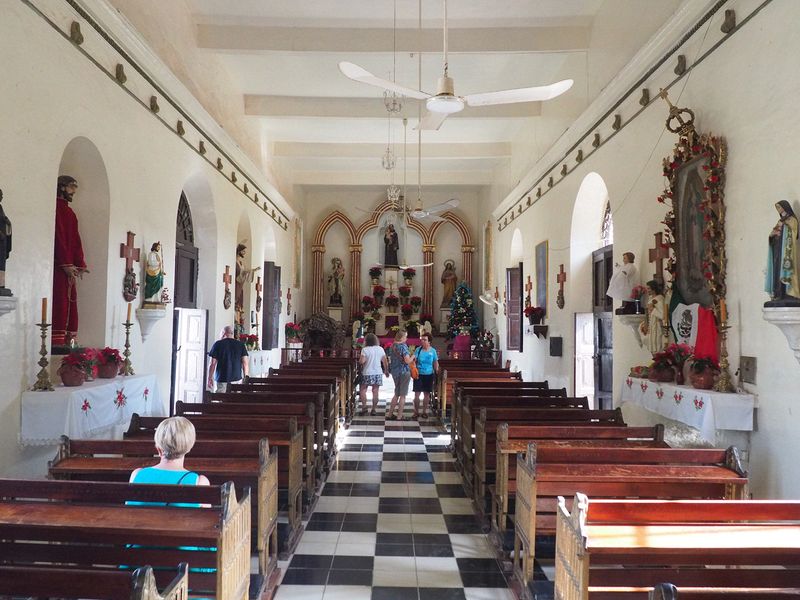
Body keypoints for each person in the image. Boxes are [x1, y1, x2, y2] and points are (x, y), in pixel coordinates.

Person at [53, 175, 89, 346]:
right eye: (71, 187)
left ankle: (69, 343)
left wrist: (79, 263)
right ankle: (56, 343)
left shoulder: (70, 213)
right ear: (61, 187)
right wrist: (66, 263)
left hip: (67, 268)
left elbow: (75, 240)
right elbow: (58, 237)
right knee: (58, 303)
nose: (73, 191)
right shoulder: (56, 209)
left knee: (70, 303)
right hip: (57, 268)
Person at [766, 200, 800, 305]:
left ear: (785, 207)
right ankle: (779, 293)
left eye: (780, 207)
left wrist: (784, 226)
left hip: (788, 252)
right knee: (777, 271)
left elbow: (794, 233)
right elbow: (774, 234)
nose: (779, 210)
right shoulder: (780, 221)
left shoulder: (792, 220)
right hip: (778, 251)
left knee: (788, 270)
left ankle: (791, 293)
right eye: (778, 208)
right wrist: (772, 235)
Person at [207, 325, 249, 392]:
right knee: (235, 400)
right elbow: (245, 363)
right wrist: (246, 378)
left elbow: (212, 363)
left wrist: (209, 377)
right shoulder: (241, 345)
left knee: (221, 399)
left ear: (224, 333)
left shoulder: (217, 344)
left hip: (221, 378)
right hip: (237, 378)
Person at [358, 333, 388, 416]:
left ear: (366, 341)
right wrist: (386, 371)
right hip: (377, 372)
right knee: (375, 391)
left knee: (363, 389)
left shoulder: (365, 349)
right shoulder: (380, 349)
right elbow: (385, 361)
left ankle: (364, 407)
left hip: (367, 372)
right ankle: (374, 409)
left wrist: (361, 359)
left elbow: (362, 361)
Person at [386, 330, 413, 420]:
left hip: (395, 372)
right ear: (401, 337)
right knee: (403, 395)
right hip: (404, 372)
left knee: (396, 393)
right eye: (406, 336)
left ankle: (390, 414)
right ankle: (399, 416)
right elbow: (407, 361)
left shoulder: (392, 346)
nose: (407, 338)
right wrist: (413, 356)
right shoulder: (403, 347)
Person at [412, 333, 439, 420]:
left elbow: (435, 362)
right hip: (419, 374)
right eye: (422, 339)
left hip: (429, 374)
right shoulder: (418, 350)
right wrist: (413, 368)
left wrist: (437, 371)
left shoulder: (433, 351)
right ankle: (416, 412)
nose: (422, 341)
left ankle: (424, 411)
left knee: (426, 394)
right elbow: (413, 360)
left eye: (425, 340)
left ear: (429, 341)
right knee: (417, 394)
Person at [235, 243, 260, 323]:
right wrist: (247, 271)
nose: (244, 253)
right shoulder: (234, 261)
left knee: (239, 303)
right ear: (239, 251)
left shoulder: (241, 263)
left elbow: (244, 272)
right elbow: (239, 273)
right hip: (236, 284)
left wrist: (252, 270)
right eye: (243, 251)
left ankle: (238, 319)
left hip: (240, 285)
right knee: (236, 301)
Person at [639, 279, 666, 353]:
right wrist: (646, 324)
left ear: (654, 289)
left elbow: (662, 315)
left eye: (649, 288)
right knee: (652, 349)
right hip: (651, 327)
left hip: (657, 327)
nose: (648, 290)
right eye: (647, 288)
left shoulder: (660, 298)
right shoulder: (651, 299)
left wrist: (653, 309)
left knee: (657, 349)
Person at [0, 189, 11, 296]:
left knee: (1, 265)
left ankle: (0, 284)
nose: (2, 197)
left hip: (2, 244)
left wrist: (7, 223)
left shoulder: (1, 208)